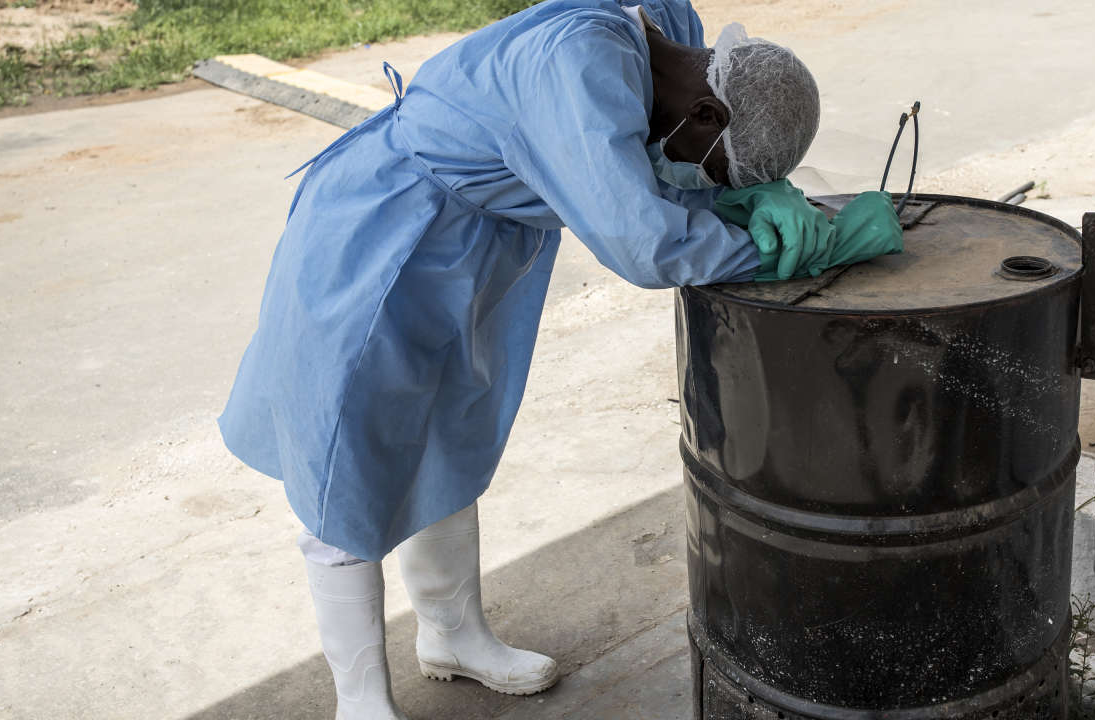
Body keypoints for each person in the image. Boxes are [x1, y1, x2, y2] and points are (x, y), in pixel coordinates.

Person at [217, 1, 829, 717]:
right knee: (349, 458)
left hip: (470, 241)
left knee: (449, 435)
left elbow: (661, 179)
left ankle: (452, 634)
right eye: (716, 168)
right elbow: (646, 242)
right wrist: (772, 251)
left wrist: (753, 193)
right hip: (381, 240)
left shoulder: (670, 26)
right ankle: (361, 701)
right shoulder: (578, 67)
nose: (707, 182)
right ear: (704, 114)